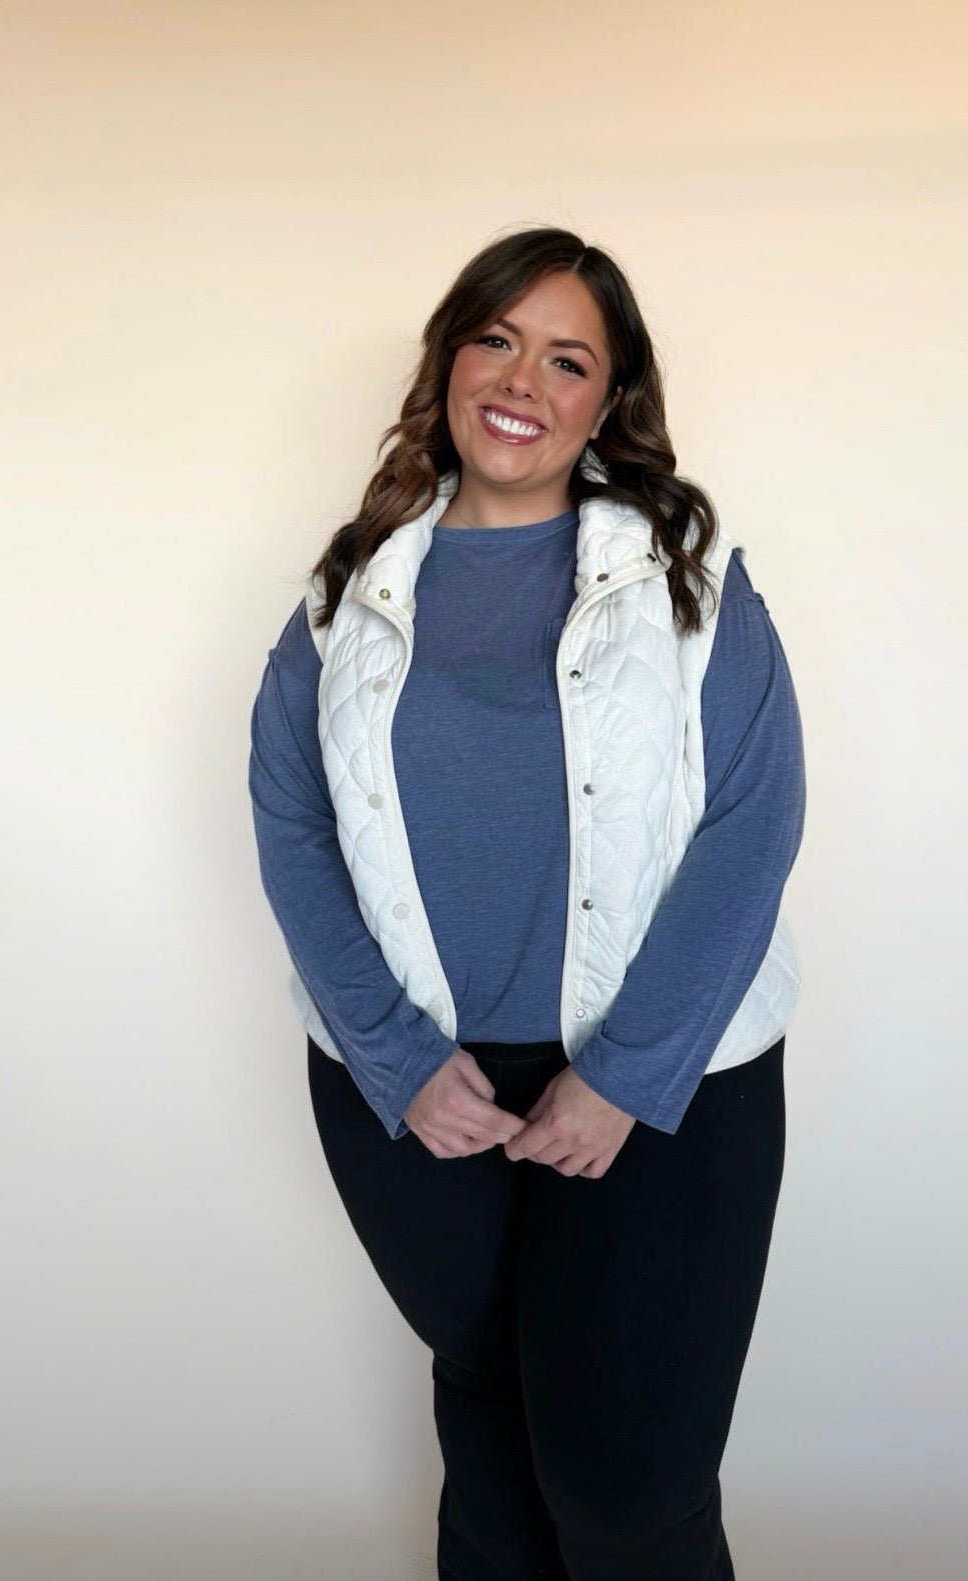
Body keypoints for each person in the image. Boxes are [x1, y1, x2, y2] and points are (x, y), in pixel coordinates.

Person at [248, 224, 806, 1581]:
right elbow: (290, 821)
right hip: (419, 1092)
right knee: (493, 1438)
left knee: (627, 1490)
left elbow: (754, 820)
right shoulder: (348, 586)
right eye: (496, 338)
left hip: (662, 1084)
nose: (522, 379)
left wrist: (621, 1075)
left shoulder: (685, 573)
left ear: (607, 399)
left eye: (568, 358)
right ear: (448, 358)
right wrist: (392, 1054)